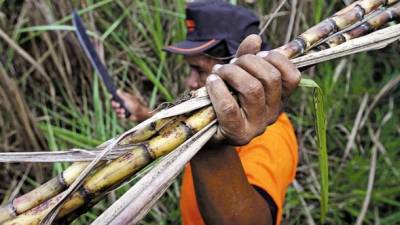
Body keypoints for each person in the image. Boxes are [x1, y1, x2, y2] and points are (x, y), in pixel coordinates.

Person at [112, 1, 300, 225]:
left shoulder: (271, 135)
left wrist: (213, 150)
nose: (190, 81)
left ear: (240, 68)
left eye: (199, 69)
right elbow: (185, 129)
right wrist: (143, 113)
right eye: (189, 69)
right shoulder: (209, 121)